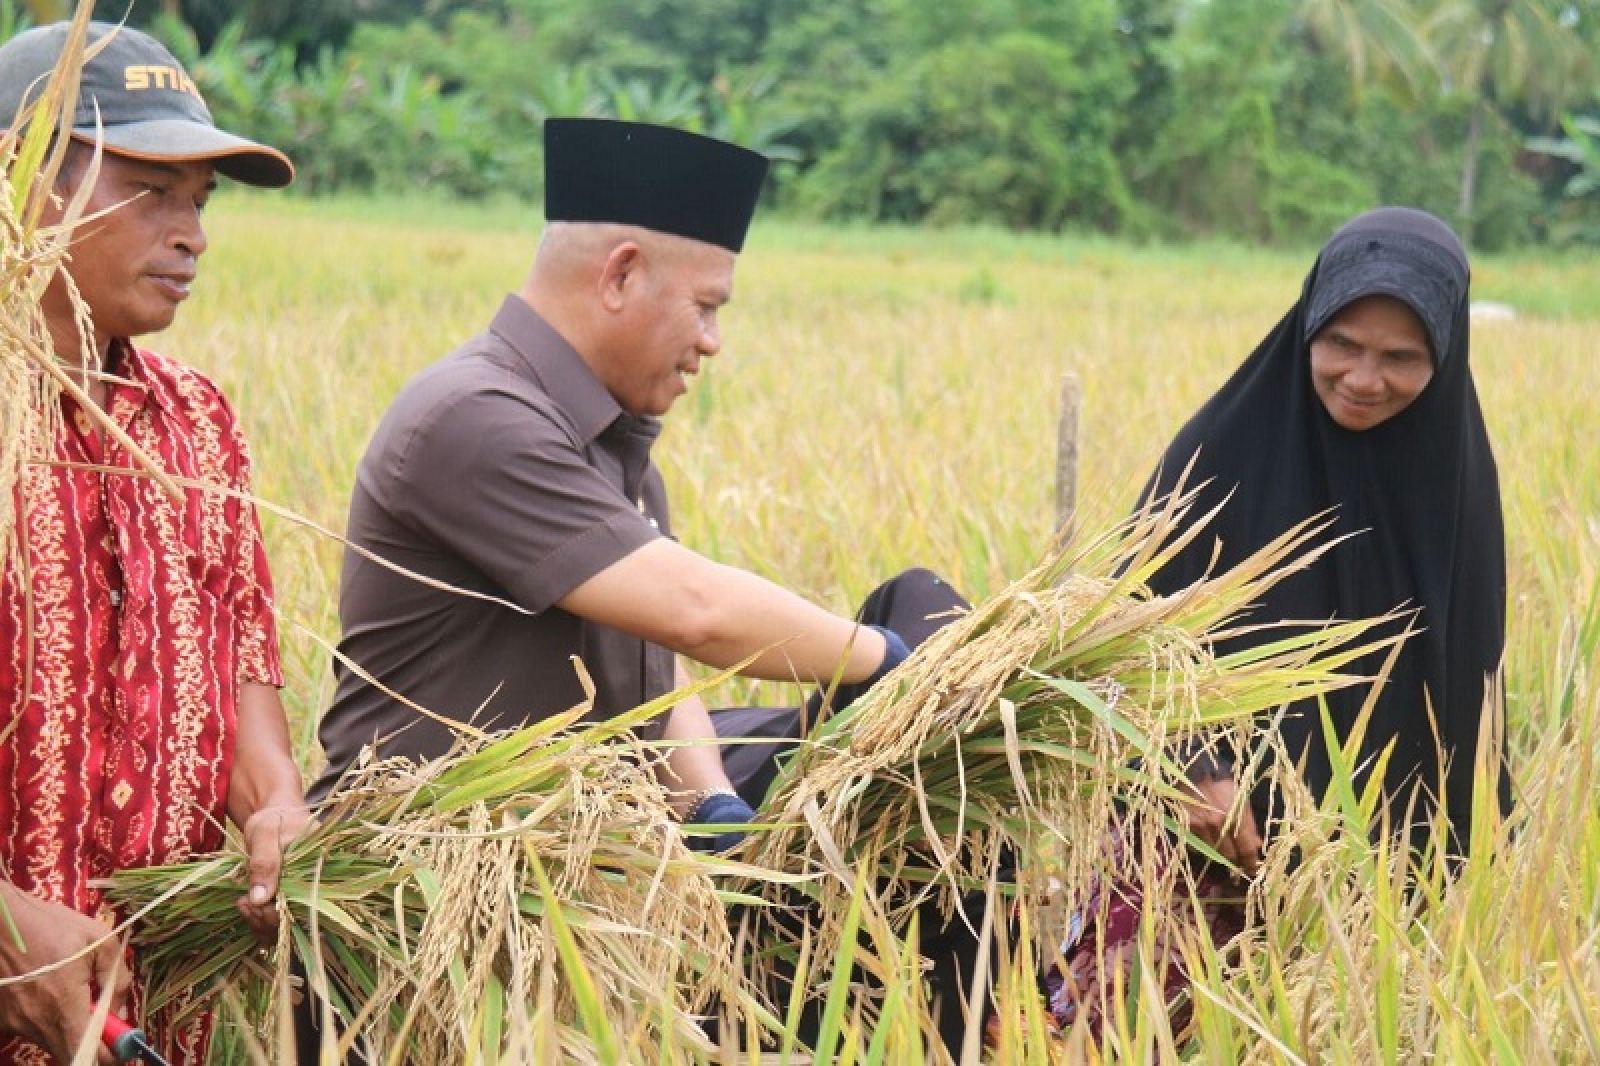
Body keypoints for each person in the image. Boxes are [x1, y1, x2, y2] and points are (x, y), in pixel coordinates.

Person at [308, 118, 1003, 1052]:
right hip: (442, 867)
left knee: (915, 744)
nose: (713, 342)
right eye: (707, 306)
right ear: (621, 274)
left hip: (590, 836)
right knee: (908, 640)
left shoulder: (608, 446)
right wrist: (900, 668)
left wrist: (712, 804)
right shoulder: (475, 417)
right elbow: (701, 614)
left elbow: (654, 670)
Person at [1053, 206, 1510, 1032]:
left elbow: (1466, 702)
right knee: (1120, 1027)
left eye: (1401, 357)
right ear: (1307, 326)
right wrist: (1198, 768)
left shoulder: (1456, 494)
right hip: (1202, 832)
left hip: (1370, 859)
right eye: (1341, 344)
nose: (1363, 378)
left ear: (1443, 357)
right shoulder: (1221, 451)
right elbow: (1127, 636)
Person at [0, 22, 308, 1066]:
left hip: (156, 1022)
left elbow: (245, 686)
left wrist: (278, 812)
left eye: (201, 203)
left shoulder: (197, 425)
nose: (194, 236)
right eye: (152, 191)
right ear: (20, 183)